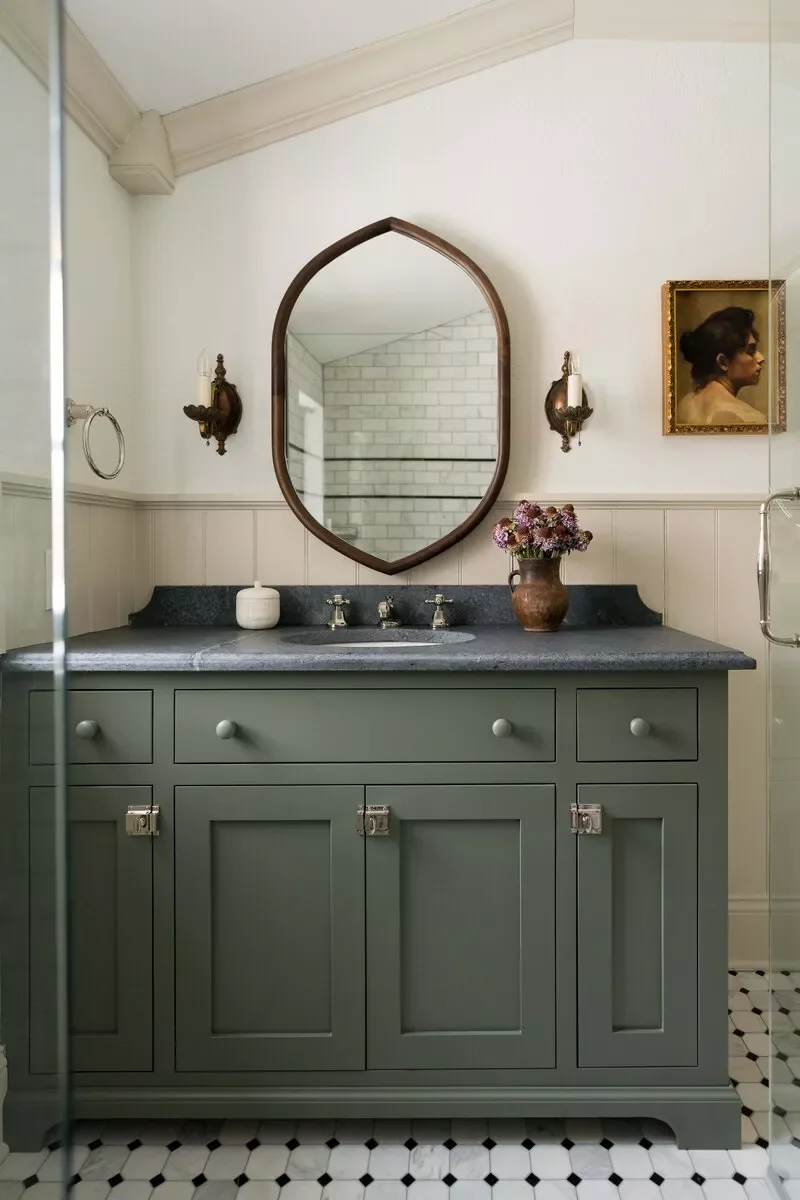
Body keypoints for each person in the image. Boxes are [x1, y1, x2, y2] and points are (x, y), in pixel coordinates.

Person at [677, 305, 766, 426]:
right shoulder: (749, 418)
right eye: (750, 351)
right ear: (723, 362)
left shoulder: (685, 404)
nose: (761, 358)